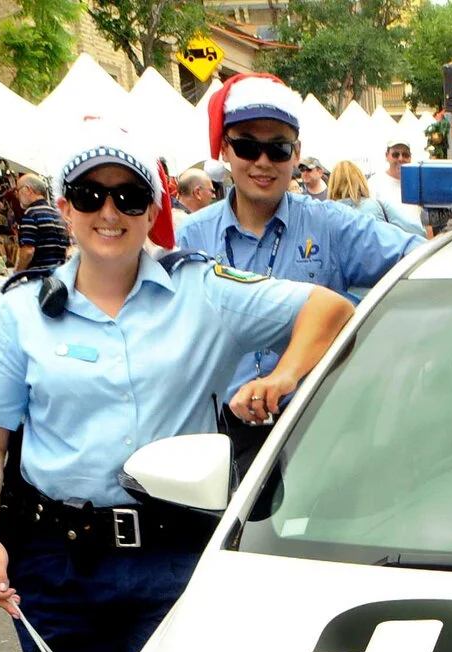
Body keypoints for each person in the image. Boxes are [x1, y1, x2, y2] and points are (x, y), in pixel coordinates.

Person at [0, 130, 355, 652]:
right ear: (64, 208)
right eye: (89, 195)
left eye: (129, 197)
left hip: (176, 555)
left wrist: (283, 376)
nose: (108, 213)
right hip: (60, 564)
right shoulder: (24, 311)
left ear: (152, 209)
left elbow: (327, 309)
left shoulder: (202, 290)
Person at [177, 76, 420, 466]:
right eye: (247, 146)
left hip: (317, 435)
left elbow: (420, 260)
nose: (262, 161)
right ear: (225, 148)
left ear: (297, 153)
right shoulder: (190, 235)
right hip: (217, 439)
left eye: (278, 149)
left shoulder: (332, 225)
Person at [9, 172, 71, 274]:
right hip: (59, 277)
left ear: (27, 190)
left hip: (39, 279)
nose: (17, 195)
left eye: (18, 190)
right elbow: (66, 249)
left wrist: (17, 273)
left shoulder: (31, 214)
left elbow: (28, 251)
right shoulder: (57, 214)